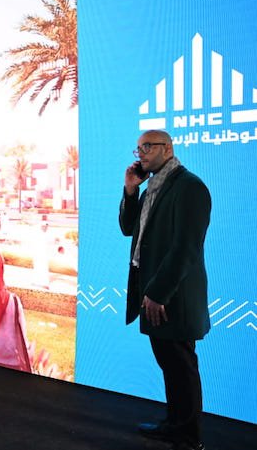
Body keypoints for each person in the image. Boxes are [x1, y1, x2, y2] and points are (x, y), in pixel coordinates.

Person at [119, 130, 211, 450]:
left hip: (173, 296)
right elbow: (129, 228)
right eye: (138, 148)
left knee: (181, 366)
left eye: (148, 146)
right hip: (153, 291)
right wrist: (131, 190)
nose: (141, 153)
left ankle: (188, 437)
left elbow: (186, 248)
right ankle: (175, 425)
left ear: (168, 149)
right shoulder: (152, 187)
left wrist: (158, 292)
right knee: (170, 366)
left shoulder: (190, 187)